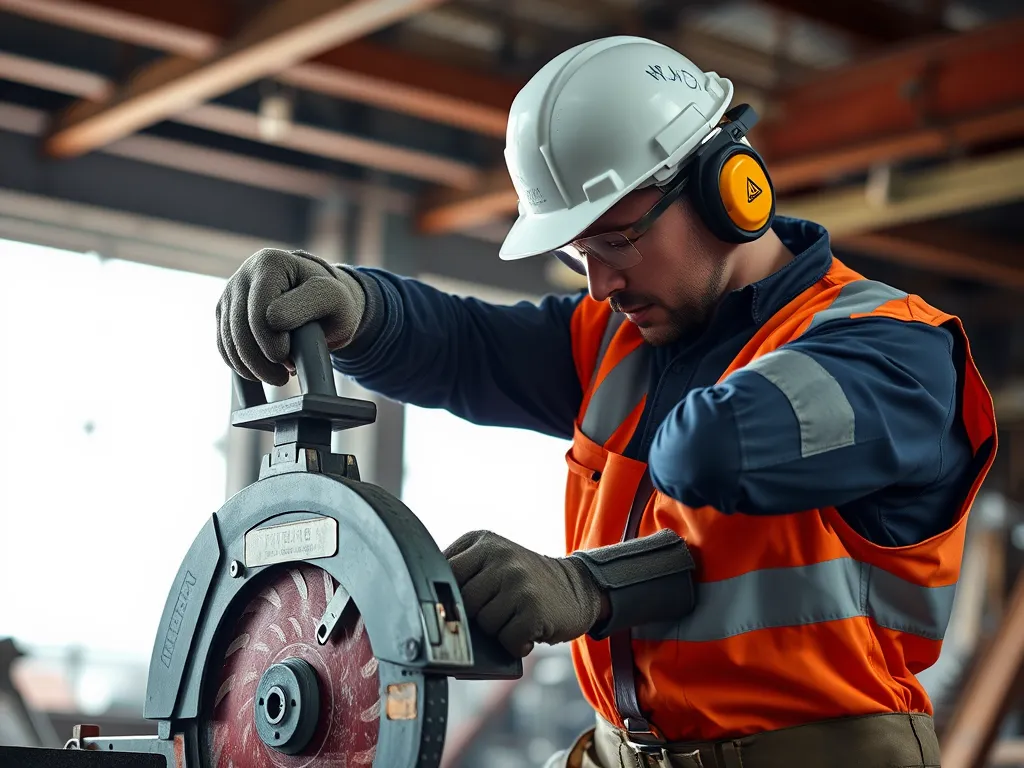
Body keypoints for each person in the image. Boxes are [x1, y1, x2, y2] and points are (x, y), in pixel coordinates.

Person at [216, 36, 997, 768]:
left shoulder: (897, 349)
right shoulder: (622, 339)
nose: (601, 285)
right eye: (577, 254)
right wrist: (352, 304)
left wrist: (591, 587)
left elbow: (713, 450)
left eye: (617, 241)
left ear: (731, 187)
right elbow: (470, 348)